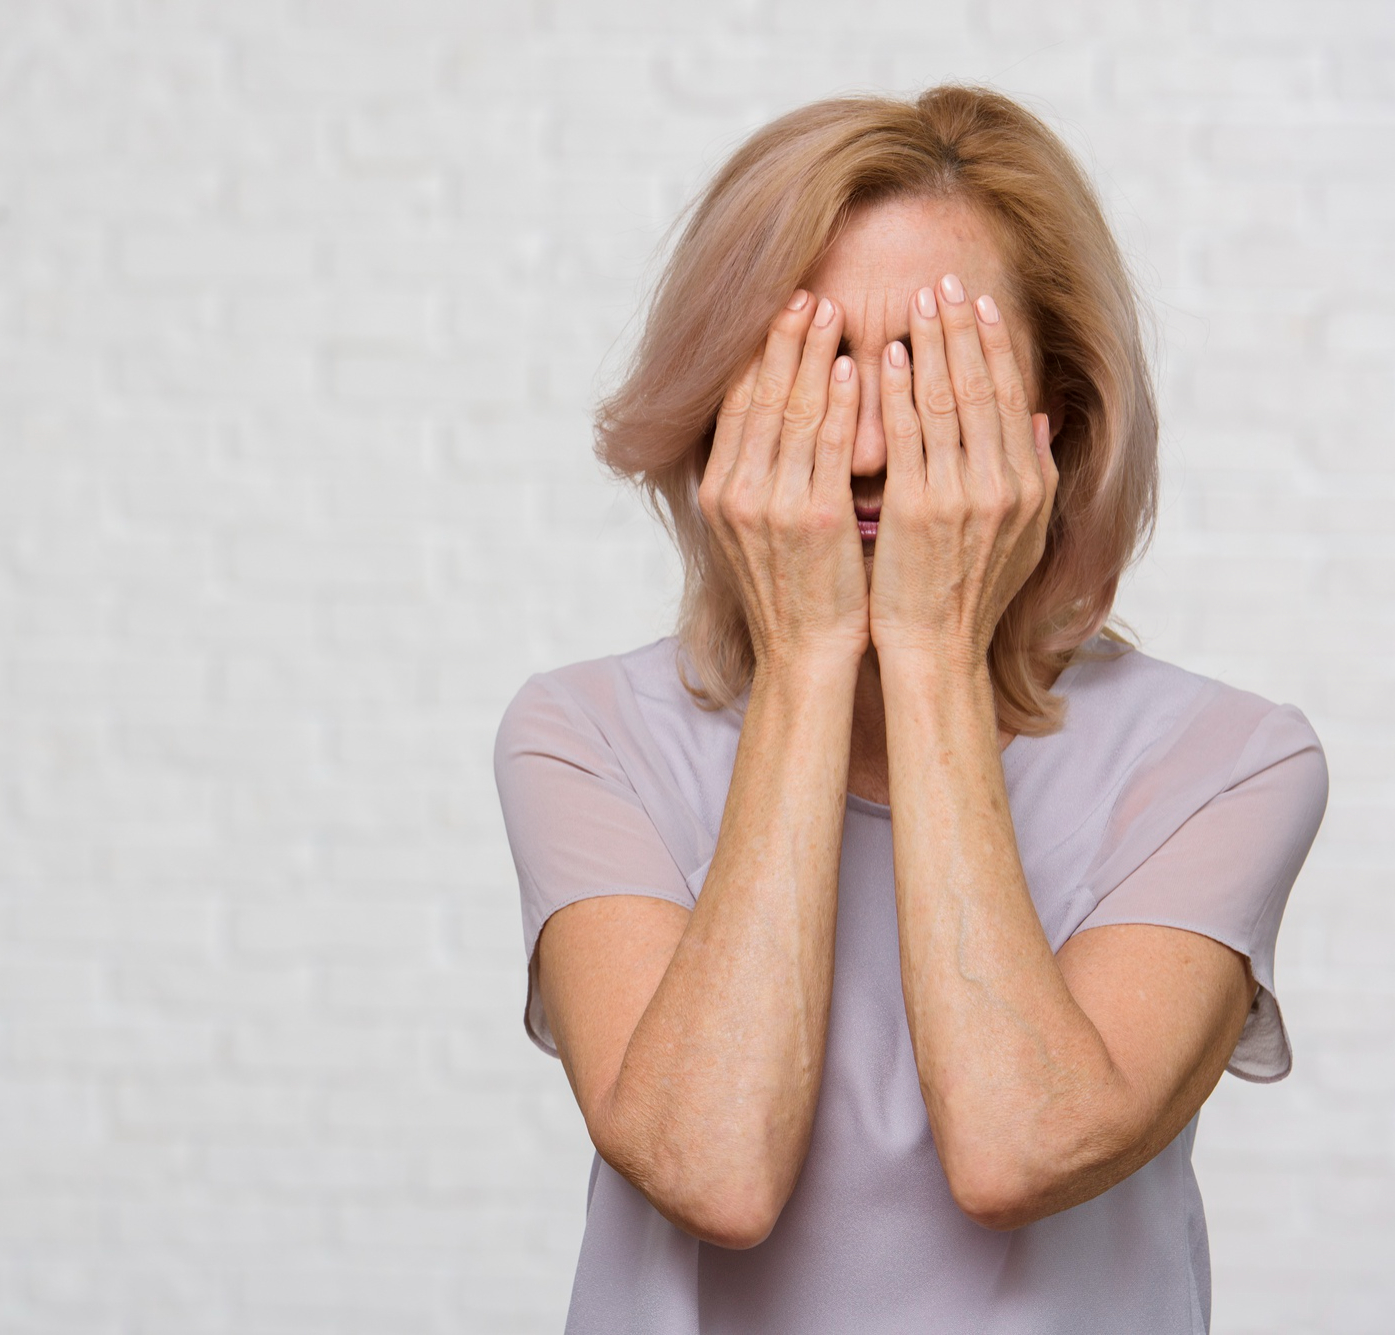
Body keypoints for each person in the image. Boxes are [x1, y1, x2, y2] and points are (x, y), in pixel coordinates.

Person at [492, 85, 1328, 1334]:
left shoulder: (1227, 764)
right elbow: (709, 1167)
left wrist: (930, 649)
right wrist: (814, 649)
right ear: (721, 401)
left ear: (1058, 417)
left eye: (934, 371)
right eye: (813, 367)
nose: (874, 441)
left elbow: (1020, 1147)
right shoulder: (583, 738)